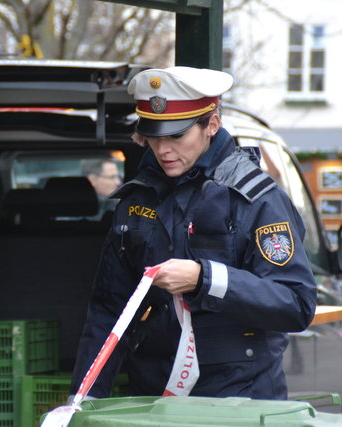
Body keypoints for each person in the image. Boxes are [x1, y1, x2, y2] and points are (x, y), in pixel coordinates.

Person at [70, 67, 317, 402]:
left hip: (239, 403)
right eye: (153, 137)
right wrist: (82, 399)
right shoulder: (137, 199)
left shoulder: (256, 198)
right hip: (154, 401)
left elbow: (296, 304)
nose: (163, 150)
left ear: (211, 125)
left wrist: (206, 279)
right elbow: (108, 310)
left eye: (176, 136)